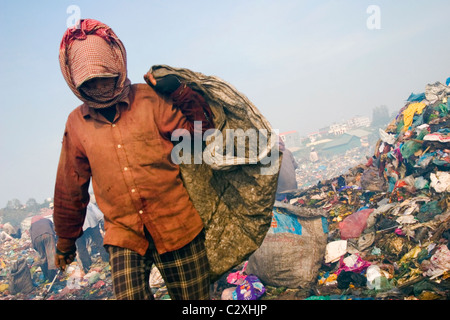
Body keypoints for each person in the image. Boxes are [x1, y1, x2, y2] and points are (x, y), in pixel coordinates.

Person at [53, 19, 214, 300]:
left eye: (105, 77)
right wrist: (66, 242)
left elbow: (199, 136)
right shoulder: (77, 124)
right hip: (124, 236)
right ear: (77, 82)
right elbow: (70, 186)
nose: (100, 86)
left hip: (177, 225)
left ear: (117, 68)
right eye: (91, 82)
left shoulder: (150, 99)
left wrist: (181, 93)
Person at [75, 201, 109, 273]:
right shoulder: (86, 201)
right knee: (99, 242)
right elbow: (99, 215)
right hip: (91, 223)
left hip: (78, 227)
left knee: (82, 248)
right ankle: (107, 260)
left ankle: (87, 267)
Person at [29, 216, 58, 281]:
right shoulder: (47, 220)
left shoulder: (32, 226)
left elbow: (32, 239)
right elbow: (55, 229)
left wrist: (39, 250)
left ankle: (46, 276)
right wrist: (56, 239)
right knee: (51, 257)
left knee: (43, 258)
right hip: (48, 235)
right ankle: (52, 278)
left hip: (36, 239)